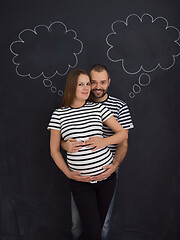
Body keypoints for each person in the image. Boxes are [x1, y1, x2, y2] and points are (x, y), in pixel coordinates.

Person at [48, 68, 128, 240]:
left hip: (106, 179)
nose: (86, 88)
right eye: (81, 84)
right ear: (71, 87)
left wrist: (103, 142)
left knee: (98, 228)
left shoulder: (97, 109)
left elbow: (122, 134)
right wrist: (68, 173)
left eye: (87, 84)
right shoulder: (59, 114)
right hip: (81, 183)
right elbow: (54, 150)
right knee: (90, 230)